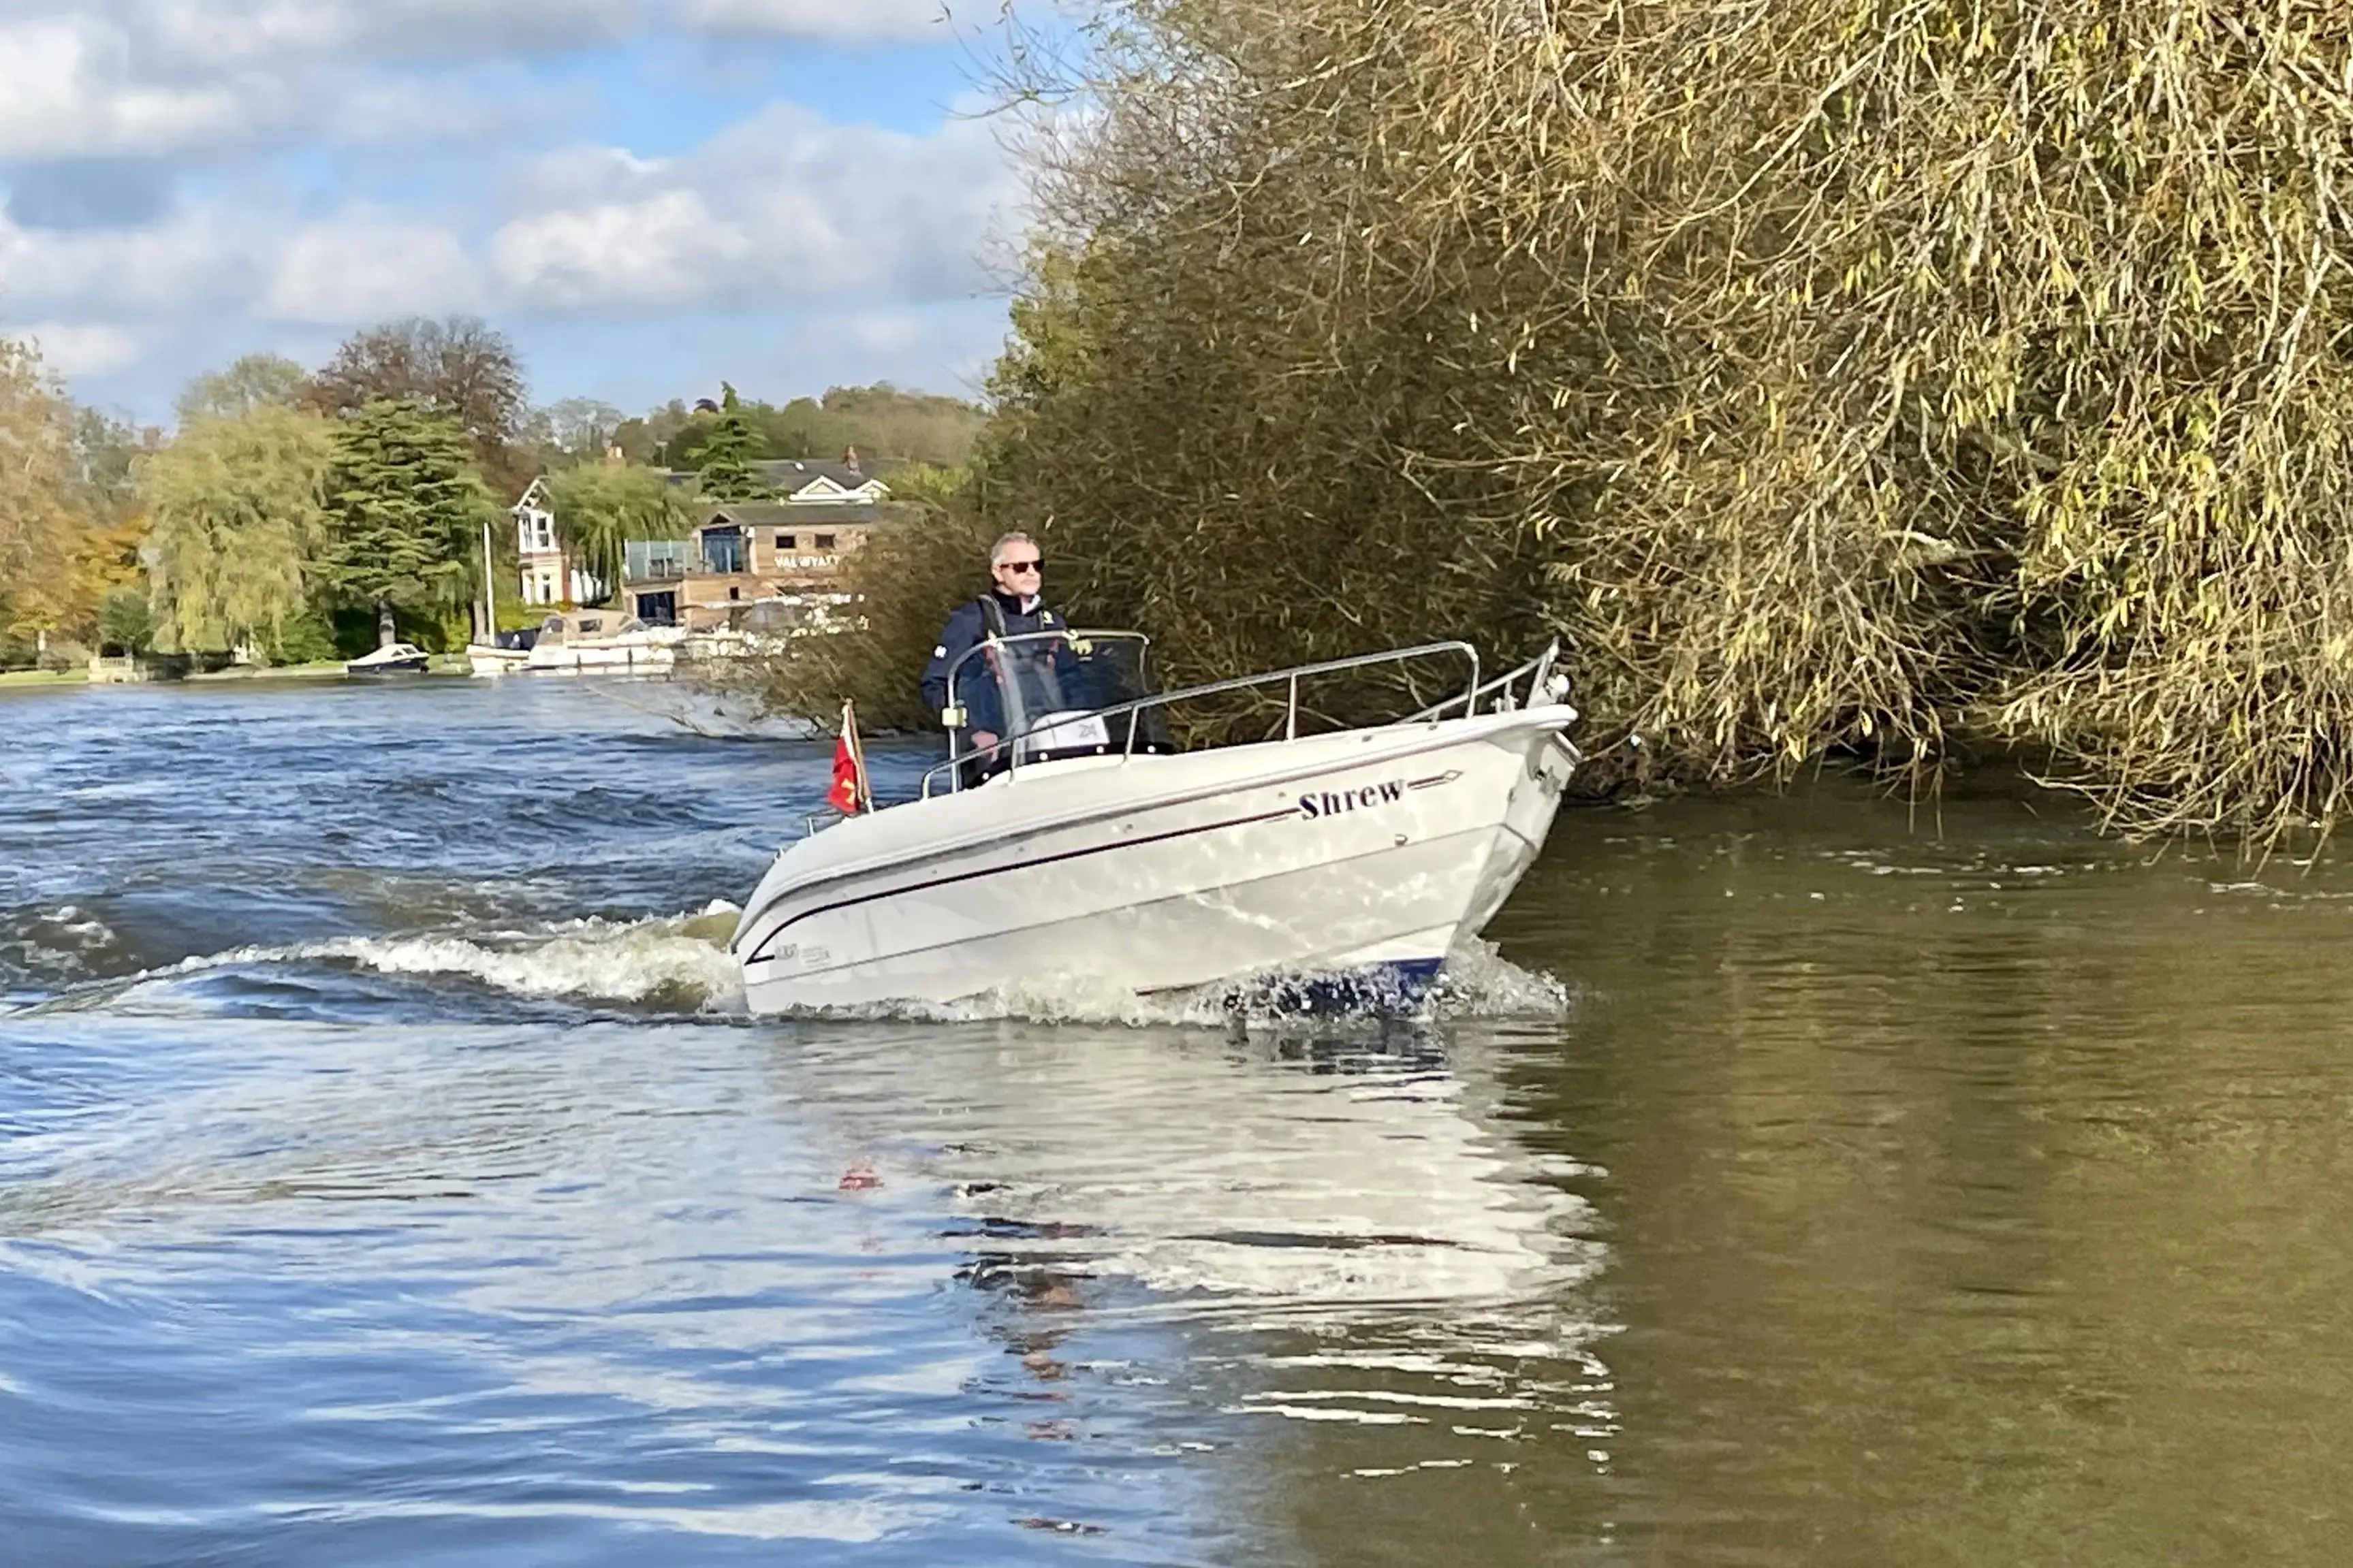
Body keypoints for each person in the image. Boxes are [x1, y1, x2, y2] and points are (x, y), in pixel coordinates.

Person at [919, 532, 1071, 769]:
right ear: (998, 571)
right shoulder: (971, 621)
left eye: (1037, 565)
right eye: (1021, 567)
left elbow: (1077, 682)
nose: (1032, 573)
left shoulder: (1054, 624)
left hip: (1049, 744)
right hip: (992, 752)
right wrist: (973, 732)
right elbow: (936, 685)